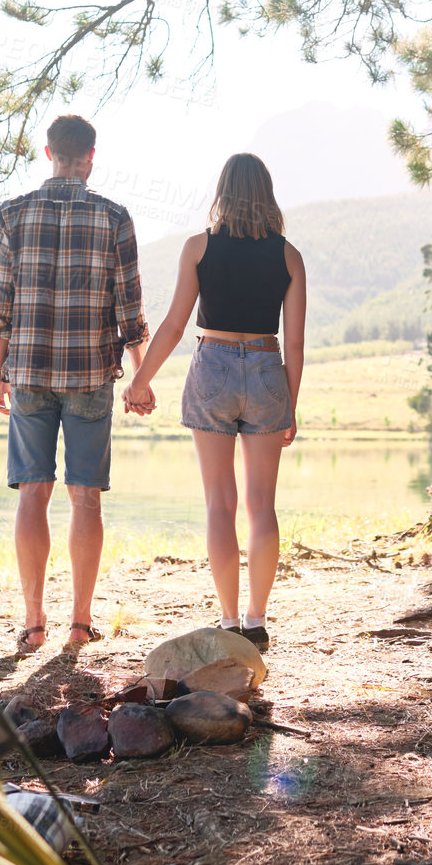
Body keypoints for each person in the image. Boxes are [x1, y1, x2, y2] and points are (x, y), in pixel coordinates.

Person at [0, 114, 149, 655]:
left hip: (28, 371)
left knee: (33, 492)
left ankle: (33, 624)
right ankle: (79, 625)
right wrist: (140, 376)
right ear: (91, 157)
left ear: (48, 152)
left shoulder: (10, 214)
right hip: (90, 375)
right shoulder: (113, 217)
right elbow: (131, 310)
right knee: (85, 499)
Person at [124, 153, 305, 651]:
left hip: (214, 366)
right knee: (261, 506)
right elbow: (296, 344)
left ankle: (228, 622)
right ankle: (257, 619)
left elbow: (175, 326)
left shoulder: (199, 248)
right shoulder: (289, 256)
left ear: (223, 192)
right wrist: (289, 403)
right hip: (268, 366)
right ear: (266, 194)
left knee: (219, 504)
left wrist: (140, 380)